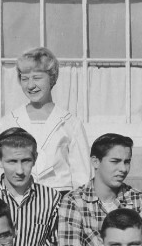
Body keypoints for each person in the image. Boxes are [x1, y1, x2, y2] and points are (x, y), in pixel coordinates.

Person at [5, 48, 89, 192]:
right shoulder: (9, 121)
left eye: (37, 78)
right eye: (25, 79)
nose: (30, 85)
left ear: (52, 78)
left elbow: (82, 177)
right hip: (18, 200)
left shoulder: (71, 123)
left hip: (60, 201)